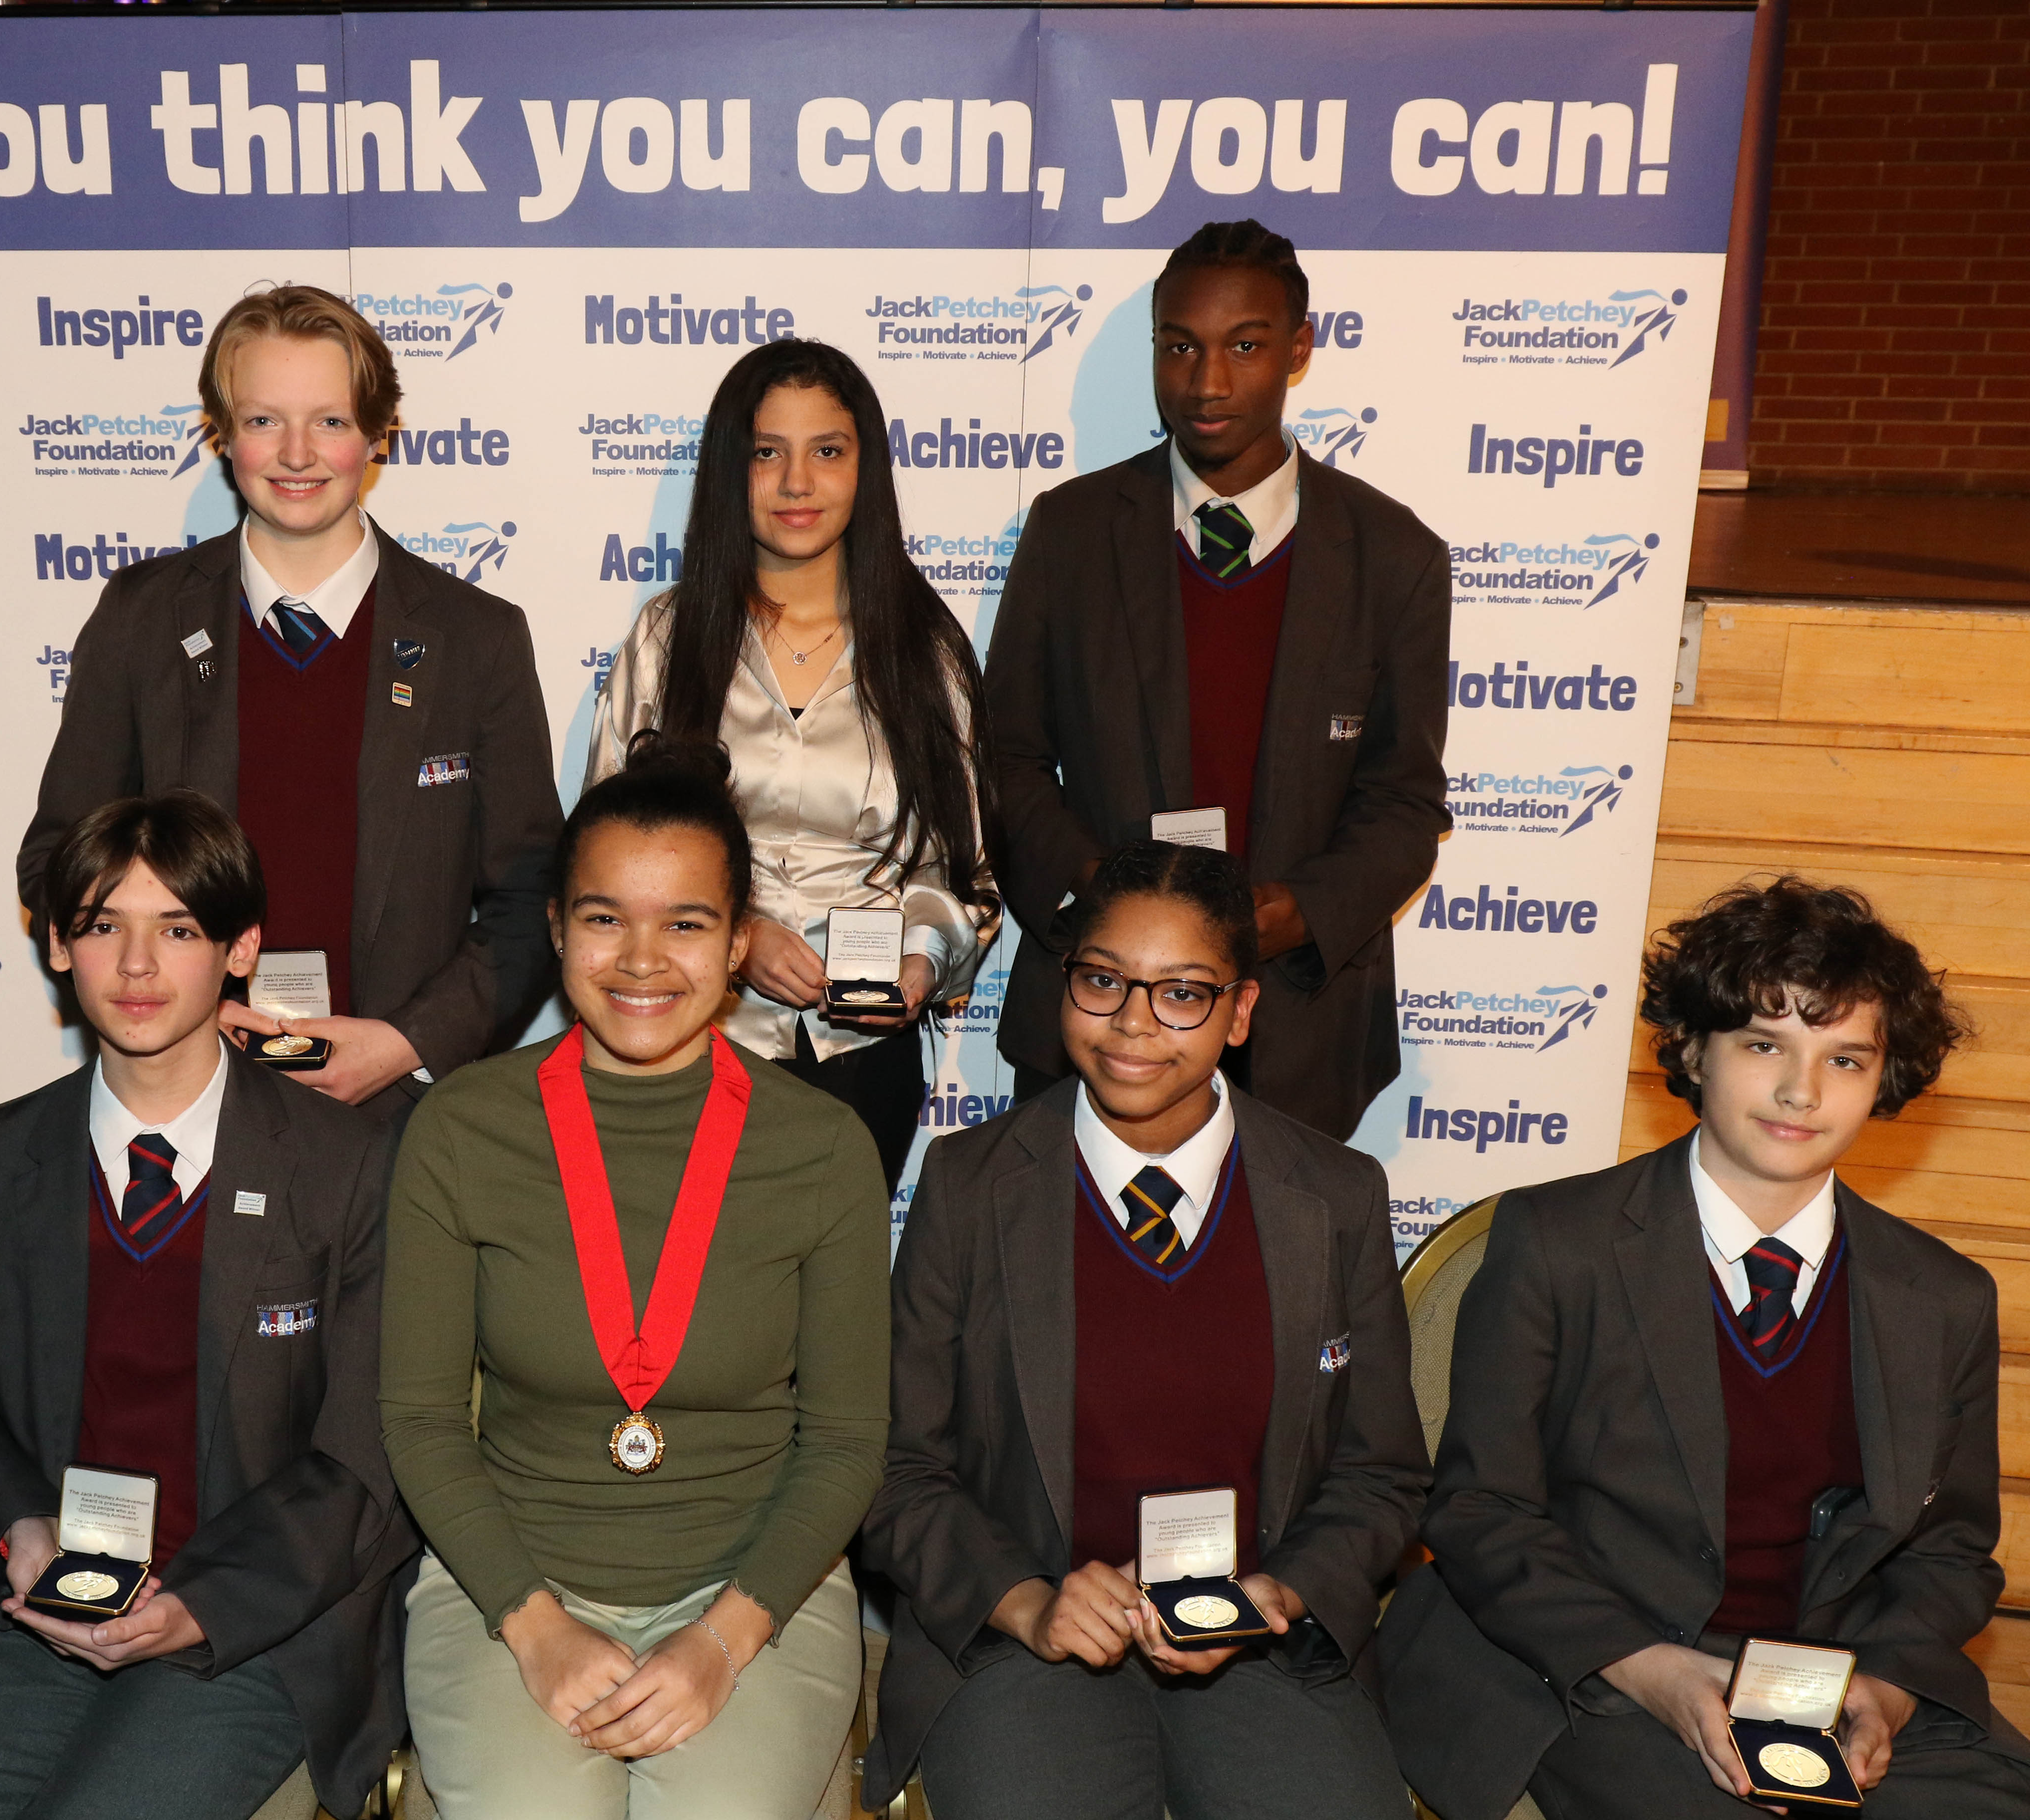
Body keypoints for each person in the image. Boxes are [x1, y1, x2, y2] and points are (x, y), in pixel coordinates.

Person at [1379, 879, 2030, 1819]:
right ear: (1692, 1046)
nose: (1803, 1091)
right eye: (1765, 1045)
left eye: (1845, 1059)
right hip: (1584, 1664)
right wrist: (1653, 1672)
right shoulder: (1557, 1242)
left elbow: (1955, 1551)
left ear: (1885, 1081)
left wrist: (1881, 1691)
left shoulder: (1944, 1295)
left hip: (1833, 1683)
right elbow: (1481, 1511)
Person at [0, 793, 413, 1820]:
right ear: (58, 945)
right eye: (105, 926)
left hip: (251, 1625)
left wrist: (204, 1604)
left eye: (178, 930)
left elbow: (364, 1456)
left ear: (241, 952)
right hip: (28, 1612)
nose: (137, 967)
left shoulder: (350, 1168)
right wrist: (19, 1530)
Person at [861, 840, 1425, 1819]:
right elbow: (900, 1466)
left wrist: (1281, 1595)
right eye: (1103, 981)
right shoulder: (970, 1184)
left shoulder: (1334, 1196)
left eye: (1183, 995)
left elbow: (1381, 1475)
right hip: (1023, 1646)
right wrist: (1027, 1603)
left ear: (1241, 1011)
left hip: (1264, 1652)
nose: (1133, 1024)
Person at [379, 736, 889, 1819]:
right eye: (606, 918)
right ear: (558, 929)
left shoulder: (823, 1145)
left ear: (743, 941)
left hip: (760, 1587)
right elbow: (422, 1418)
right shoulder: (461, 1126)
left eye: (688, 924)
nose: (642, 960)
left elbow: (845, 1440)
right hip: (506, 1580)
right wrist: (536, 1625)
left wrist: (722, 1643)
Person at [19, 282, 564, 1113]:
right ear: (223, 435)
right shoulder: (140, 618)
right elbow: (59, 862)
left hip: (399, 1114)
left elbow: (534, 897)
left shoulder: (474, 640)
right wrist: (174, 1012)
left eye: (332, 421)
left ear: (379, 436)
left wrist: (407, 1046)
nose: (297, 453)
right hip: (191, 1093)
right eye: (265, 420)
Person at [985, 219, 1450, 1139]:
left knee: (1270, 1285)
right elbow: (1006, 762)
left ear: (1300, 349)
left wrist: (1296, 916)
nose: (1207, 382)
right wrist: (1102, 908)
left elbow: (1403, 800)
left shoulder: (1394, 555)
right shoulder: (1070, 532)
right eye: (1180, 347)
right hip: (1094, 1014)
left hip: (1297, 1031)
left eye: (1245, 346)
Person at [588, 338, 996, 1190]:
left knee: (833, 1308)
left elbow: (970, 877)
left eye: (827, 452)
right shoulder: (668, 640)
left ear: (866, 468)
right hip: (689, 1042)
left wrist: (921, 959)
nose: (796, 483)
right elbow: (604, 862)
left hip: (865, 1057)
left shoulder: (928, 654)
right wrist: (738, 939)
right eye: (767, 453)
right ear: (730, 471)